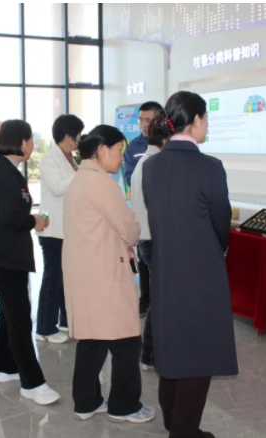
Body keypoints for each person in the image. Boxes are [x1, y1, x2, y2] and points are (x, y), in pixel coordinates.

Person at [143, 91, 238, 438]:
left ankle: (174, 422)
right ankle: (183, 432)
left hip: (164, 270)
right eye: (206, 118)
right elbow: (221, 223)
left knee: (171, 349)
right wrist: (215, 250)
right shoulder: (209, 167)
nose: (208, 124)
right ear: (195, 120)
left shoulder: (151, 166)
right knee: (200, 353)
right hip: (200, 273)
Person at [63, 125, 155, 424]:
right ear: (102, 151)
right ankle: (124, 406)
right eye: (118, 150)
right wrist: (133, 233)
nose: (121, 157)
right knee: (126, 340)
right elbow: (129, 227)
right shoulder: (102, 184)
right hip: (103, 273)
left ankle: (86, 401)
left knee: (92, 338)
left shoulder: (81, 178)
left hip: (87, 270)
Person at [0, 119, 60, 405]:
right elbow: (11, 217)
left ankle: (4, 366)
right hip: (3, 256)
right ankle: (32, 383)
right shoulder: (6, 174)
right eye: (31, 139)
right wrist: (36, 220)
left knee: (9, 312)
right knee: (20, 317)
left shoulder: (2, 170)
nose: (32, 145)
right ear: (22, 142)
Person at [35, 114, 84, 344]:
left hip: (67, 228)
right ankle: (45, 327)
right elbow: (57, 187)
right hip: (53, 229)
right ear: (67, 135)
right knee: (53, 279)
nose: (79, 139)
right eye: (77, 135)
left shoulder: (70, 158)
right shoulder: (50, 159)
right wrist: (81, 173)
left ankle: (65, 320)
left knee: (67, 278)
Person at [130, 115, 171, 371]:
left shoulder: (144, 162)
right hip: (155, 240)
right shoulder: (156, 164)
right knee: (161, 300)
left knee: (158, 298)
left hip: (146, 239)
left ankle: (151, 354)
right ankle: (150, 355)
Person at [123, 101, 164, 317]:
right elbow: (130, 178)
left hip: (155, 224)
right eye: (141, 120)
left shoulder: (165, 149)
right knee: (146, 264)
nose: (144, 124)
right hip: (142, 217)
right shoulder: (134, 147)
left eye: (148, 120)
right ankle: (145, 300)